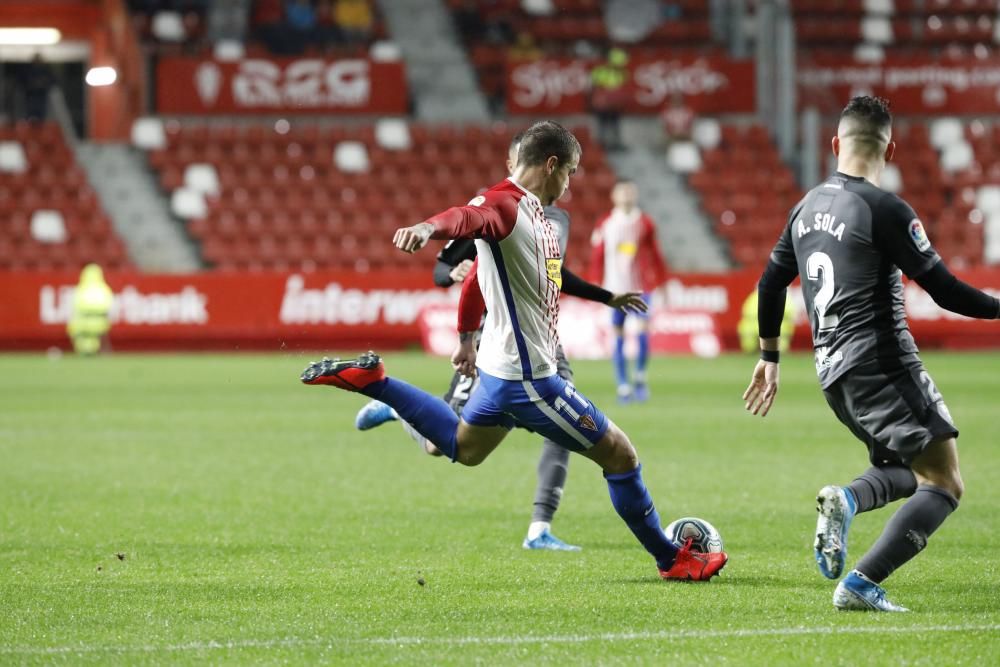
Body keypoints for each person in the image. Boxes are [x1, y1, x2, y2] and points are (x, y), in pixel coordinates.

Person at [303, 120, 728, 581]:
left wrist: (466, 338)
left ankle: (378, 384)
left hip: (496, 374)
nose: (569, 184)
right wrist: (429, 227)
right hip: (530, 379)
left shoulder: (536, 217)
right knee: (621, 456)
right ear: (551, 164)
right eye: (569, 172)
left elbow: (474, 280)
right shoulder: (503, 203)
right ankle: (674, 561)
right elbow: (465, 218)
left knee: (464, 449)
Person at [743, 96, 1000, 612]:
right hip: (882, 362)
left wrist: (770, 357)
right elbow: (945, 290)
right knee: (945, 482)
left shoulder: (807, 206)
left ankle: (849, 499)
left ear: (835, 144)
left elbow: (771, 283)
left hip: (832, 374)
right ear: (891, 148)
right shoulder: (884, 208)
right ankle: (861, 583)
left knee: (907, 471)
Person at [355, 132, 643, 551]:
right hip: (496, 347)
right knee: (449, 446)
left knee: (567, 428)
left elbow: (556, 274)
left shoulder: (554, 220)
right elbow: (444, 268)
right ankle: (399, 409)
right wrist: (457, 285)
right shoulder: (493, 209)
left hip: (543, 344)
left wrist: (606, 297)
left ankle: (539, 527)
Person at [588, 180, 668, 402]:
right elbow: (597, 256)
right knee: (619, 334)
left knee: (643, 330)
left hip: (641, 288)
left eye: (631, 191)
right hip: (613, 289)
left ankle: (640, 378)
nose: (627, 195)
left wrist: (662, 282)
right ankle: (623, 385)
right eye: (623, 191)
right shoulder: (606, 223)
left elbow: (656, 254)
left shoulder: (645, 222)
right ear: (614, 195)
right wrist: (594, 283)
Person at [67, 263, 114, 355]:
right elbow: (108, 307)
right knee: (102, 333)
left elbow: (75, 307)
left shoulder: (80, 289)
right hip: (99, 322)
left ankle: (79, 351)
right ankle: (104, 352)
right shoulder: (104, 288)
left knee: (73, 329)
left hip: (81, 323)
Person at [589, 48, 629, 151]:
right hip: (603, 103)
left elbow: (623, 89)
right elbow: (594, 87)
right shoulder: (600, 71)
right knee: (603, 124)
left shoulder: (622, 73)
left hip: (615, 104)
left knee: (615, 123)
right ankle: (602, 144)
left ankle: (615, 143)